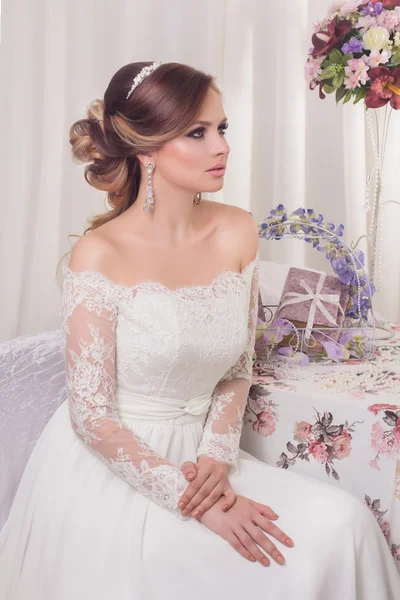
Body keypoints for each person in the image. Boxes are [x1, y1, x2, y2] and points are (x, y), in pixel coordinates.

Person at [0, 60, 399, 600]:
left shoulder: (236, 229)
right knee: (253, 569)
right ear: (146, 149)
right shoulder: (99, 254)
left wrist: (216, 453)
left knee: (345, 524)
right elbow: (91, 416)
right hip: (119, 464)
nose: (222, 146)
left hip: (209, 455)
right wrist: (198, 502)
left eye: (222, 128)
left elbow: (238, 365)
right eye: (198, 132)